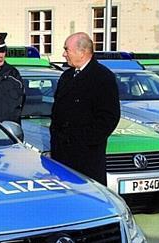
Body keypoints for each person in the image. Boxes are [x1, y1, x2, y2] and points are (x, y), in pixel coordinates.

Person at [50, 32, 120, 185]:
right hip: (62, 156)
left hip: (86, 158)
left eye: (66, 49)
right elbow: (58, 114)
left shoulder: (102, 77)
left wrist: (82, 141)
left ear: (82, 52)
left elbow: (108, 118)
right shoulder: (67, 76)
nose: (63, 54)